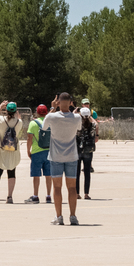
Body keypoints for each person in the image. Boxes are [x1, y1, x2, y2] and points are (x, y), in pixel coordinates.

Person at [45, 93, 83, 226]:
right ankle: (73, 216)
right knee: (72, 188)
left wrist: (52, 108)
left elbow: (44, 127)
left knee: (57, 187)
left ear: (58, 102)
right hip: (71, 155)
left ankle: (59, 216)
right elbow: (78, 129)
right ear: (71, 102)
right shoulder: (76, 117)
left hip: (56, 156)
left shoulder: (52, 116)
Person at [0, 102, 23, 204]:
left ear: (6, 111)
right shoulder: (19, 122)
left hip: (1, 150)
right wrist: (18, 115)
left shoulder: (1, 120)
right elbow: (19, 119)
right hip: (13, 151)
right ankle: (9, 196)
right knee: (11, 173)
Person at [26, 104, 52, 204]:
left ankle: (36, 196)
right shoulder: (50, 123)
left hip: (37, 152)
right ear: (46, 113)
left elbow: (29, 139)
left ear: (37, 112)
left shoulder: (33, 123)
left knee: (36, 175)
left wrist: (28, 151)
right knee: (48, 175)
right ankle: (48, 195)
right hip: (48, 151)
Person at [76, 107, 98, 199]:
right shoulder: (92, 124)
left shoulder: (77, 124)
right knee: (87, 172)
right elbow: (96, 124)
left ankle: (77, 193)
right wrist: (90, 117)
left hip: (78, 149)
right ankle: (86, 193)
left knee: (77, 172)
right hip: (88, 150)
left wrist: (75, 113)